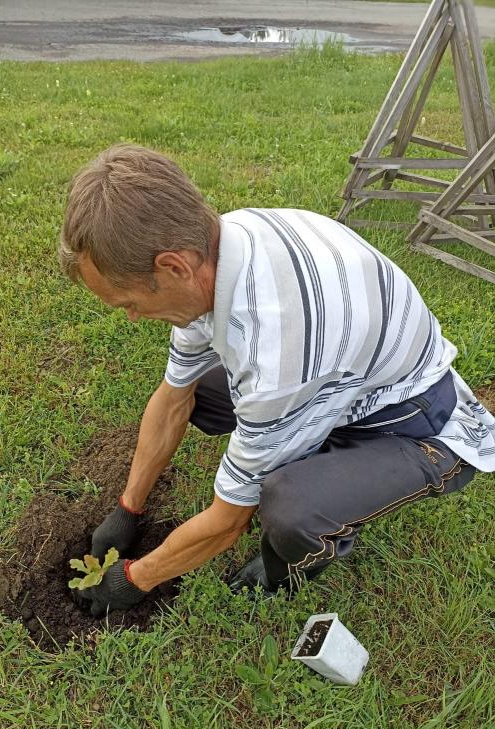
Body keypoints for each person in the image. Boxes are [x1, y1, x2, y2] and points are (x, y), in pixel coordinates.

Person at [59, 144, 495, 618]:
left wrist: (133, 579)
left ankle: (288, 569)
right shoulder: (219, 244)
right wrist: (129, 507)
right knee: (204, 393)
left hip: (414, 420)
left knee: (290, 509)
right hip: (342, 379)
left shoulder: (277, 350)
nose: (131, 317)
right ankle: (307, 444)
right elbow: (174, 398)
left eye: (127, 302)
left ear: (173, 267)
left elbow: (228, 522)